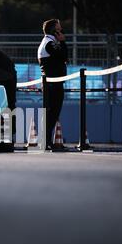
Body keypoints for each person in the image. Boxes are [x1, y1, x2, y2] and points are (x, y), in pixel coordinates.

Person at [37, 19, 68, 149]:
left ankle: (46, 141)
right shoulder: (49, 43)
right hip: (52, 84)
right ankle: (45, 142)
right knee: (52, 113)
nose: (61, 31)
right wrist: (63, 42)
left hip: (53, 83)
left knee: (52, 113)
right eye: (59, 29)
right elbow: (64, 56)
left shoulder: (50, 42)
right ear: (53, 30)